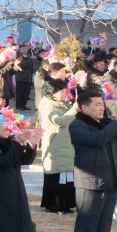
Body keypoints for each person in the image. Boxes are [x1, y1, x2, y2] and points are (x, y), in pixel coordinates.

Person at [69, 91, 117, 232]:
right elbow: (97, 140)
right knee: (88, 221)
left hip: (110, 178)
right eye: (97, 104)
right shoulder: (78, 125)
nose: (102, 107)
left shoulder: (106, 124)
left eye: (102, 104)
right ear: (84, 107)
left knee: (104, 222)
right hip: (90, 180)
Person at [38, 79, 77, 214]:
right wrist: (74, 110)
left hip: (65, 144)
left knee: (67, 176)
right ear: (52, 93)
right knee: (56, 177)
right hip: (56, 145)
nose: (65, 93)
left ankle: (66, 204)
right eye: (61, 91)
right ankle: (54, 205)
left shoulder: (63, 103)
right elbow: (59, 121)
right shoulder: (48, 106)